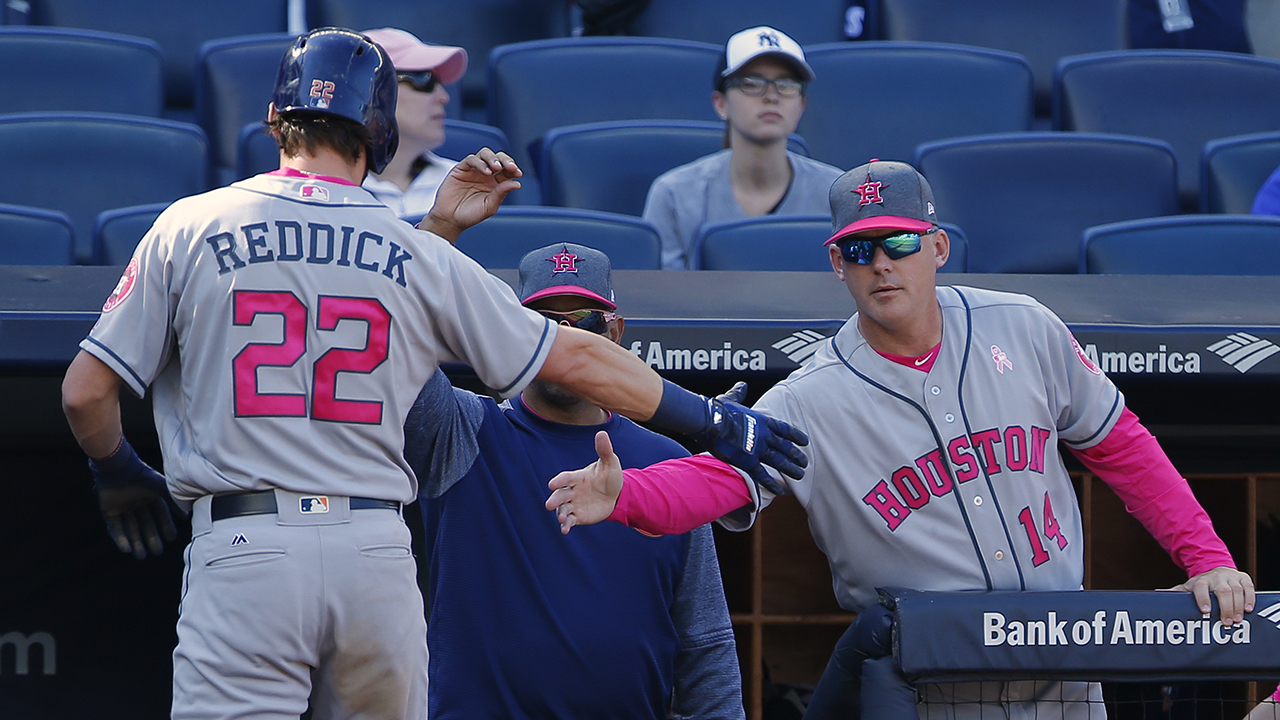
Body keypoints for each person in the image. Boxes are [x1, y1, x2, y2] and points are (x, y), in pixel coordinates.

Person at [59, 27, 805, 720]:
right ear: (378, 129)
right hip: (371, 550)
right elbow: (568, 354)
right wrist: (711, 420)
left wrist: (118, 468)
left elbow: (85, 392)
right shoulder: (411, 250)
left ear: (274, 118)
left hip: (246, 540)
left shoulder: (192, 223)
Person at [548, 159, 1257, 719]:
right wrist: (630, 494)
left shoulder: (1024, 326)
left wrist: (1207, 557)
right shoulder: (810, 396)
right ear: (837, 265)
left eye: (898, 242)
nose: (881, 262)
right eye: (859, 249)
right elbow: (719, 480)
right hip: (932, 691)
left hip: (1064, 681)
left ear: (937, 246)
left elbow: (1121, 446)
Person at [404, 242, 743, 720]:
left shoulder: (666, 458)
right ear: (512, 333)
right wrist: (437, 233)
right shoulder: (463, 431)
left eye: (584, 320)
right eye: (543, 322)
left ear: (616, 332)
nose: (565, 338)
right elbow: (393, 336)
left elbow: (703, 636)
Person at [642, 25, 842, 270]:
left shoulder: (837, 194)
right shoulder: (674, 195)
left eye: (787, 84)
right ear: (720, 103)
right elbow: (661, 300)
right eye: (752, 83)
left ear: (801, 105)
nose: (771, 96)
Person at [360, 27, 466, 217]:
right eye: (424, 80)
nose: (444, 97)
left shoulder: (467, 184)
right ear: (369, 92)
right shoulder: (319, 192)